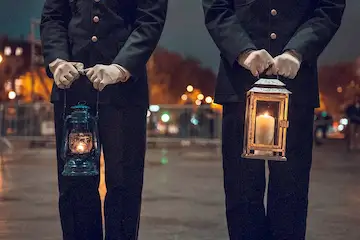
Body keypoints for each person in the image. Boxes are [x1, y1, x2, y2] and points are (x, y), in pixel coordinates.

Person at [202, 0, 345, 239]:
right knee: (242, 192)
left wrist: (297, 51)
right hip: (242, 84)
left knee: (290, 194)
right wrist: (243, 52)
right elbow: (216, 7)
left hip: (291, 84)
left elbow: (330, 7)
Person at [40, 0, 167, 239]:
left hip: (124, 90)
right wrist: (57, 60)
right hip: (73, 87)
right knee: (75, 186)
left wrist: (121, 66)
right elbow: (53, 17)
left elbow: (150, 20)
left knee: (123, 186)